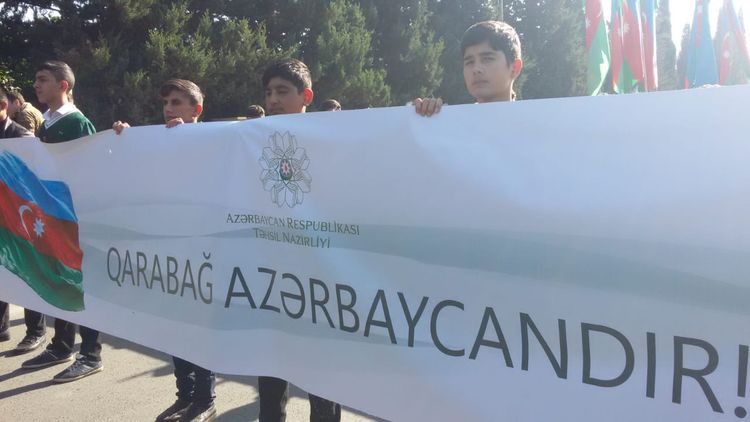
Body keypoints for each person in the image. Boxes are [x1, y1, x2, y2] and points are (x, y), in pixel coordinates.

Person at [113, 79, 217, 422]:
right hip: (168, 253)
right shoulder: (159, 141)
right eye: (166, 103)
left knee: (197, 329)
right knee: (174, 328)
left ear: (196, 109)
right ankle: (184, 395)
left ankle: (204, 399)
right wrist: (127, 139)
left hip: (201, 254)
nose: (169, 109)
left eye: (176, 102)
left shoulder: (212, 140)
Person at [258, 58, 341, 422]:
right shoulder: (251, 138)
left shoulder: (331, 139)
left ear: (306, 96)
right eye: (269, 92)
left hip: (319, 284)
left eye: (282, 91)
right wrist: (176, 134)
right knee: (270, 370)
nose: (273, 99)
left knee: (321, 377)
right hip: (271, 280)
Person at [20, 61, 104, 384]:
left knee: (81, 286)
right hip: (52, 218)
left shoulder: (77, 123)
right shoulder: (47, 122)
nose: (36, 85)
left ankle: (91, 354)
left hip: (74, 218)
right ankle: (62, 345)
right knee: (59, 282)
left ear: (63, 86)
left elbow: (89, 171)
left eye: (43, 79)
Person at [414, 20, 523, 116]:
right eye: (469, 62)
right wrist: (428, 115)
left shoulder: (531, 122)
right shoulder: (450, 122)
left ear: (515, 68)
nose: (476, 69)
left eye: (487, 59)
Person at [0, 87, 36, 343]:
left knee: (26, 275)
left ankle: (36, 331)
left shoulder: (20, 135)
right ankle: (2, 328)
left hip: (19, 217)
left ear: (3, 105)